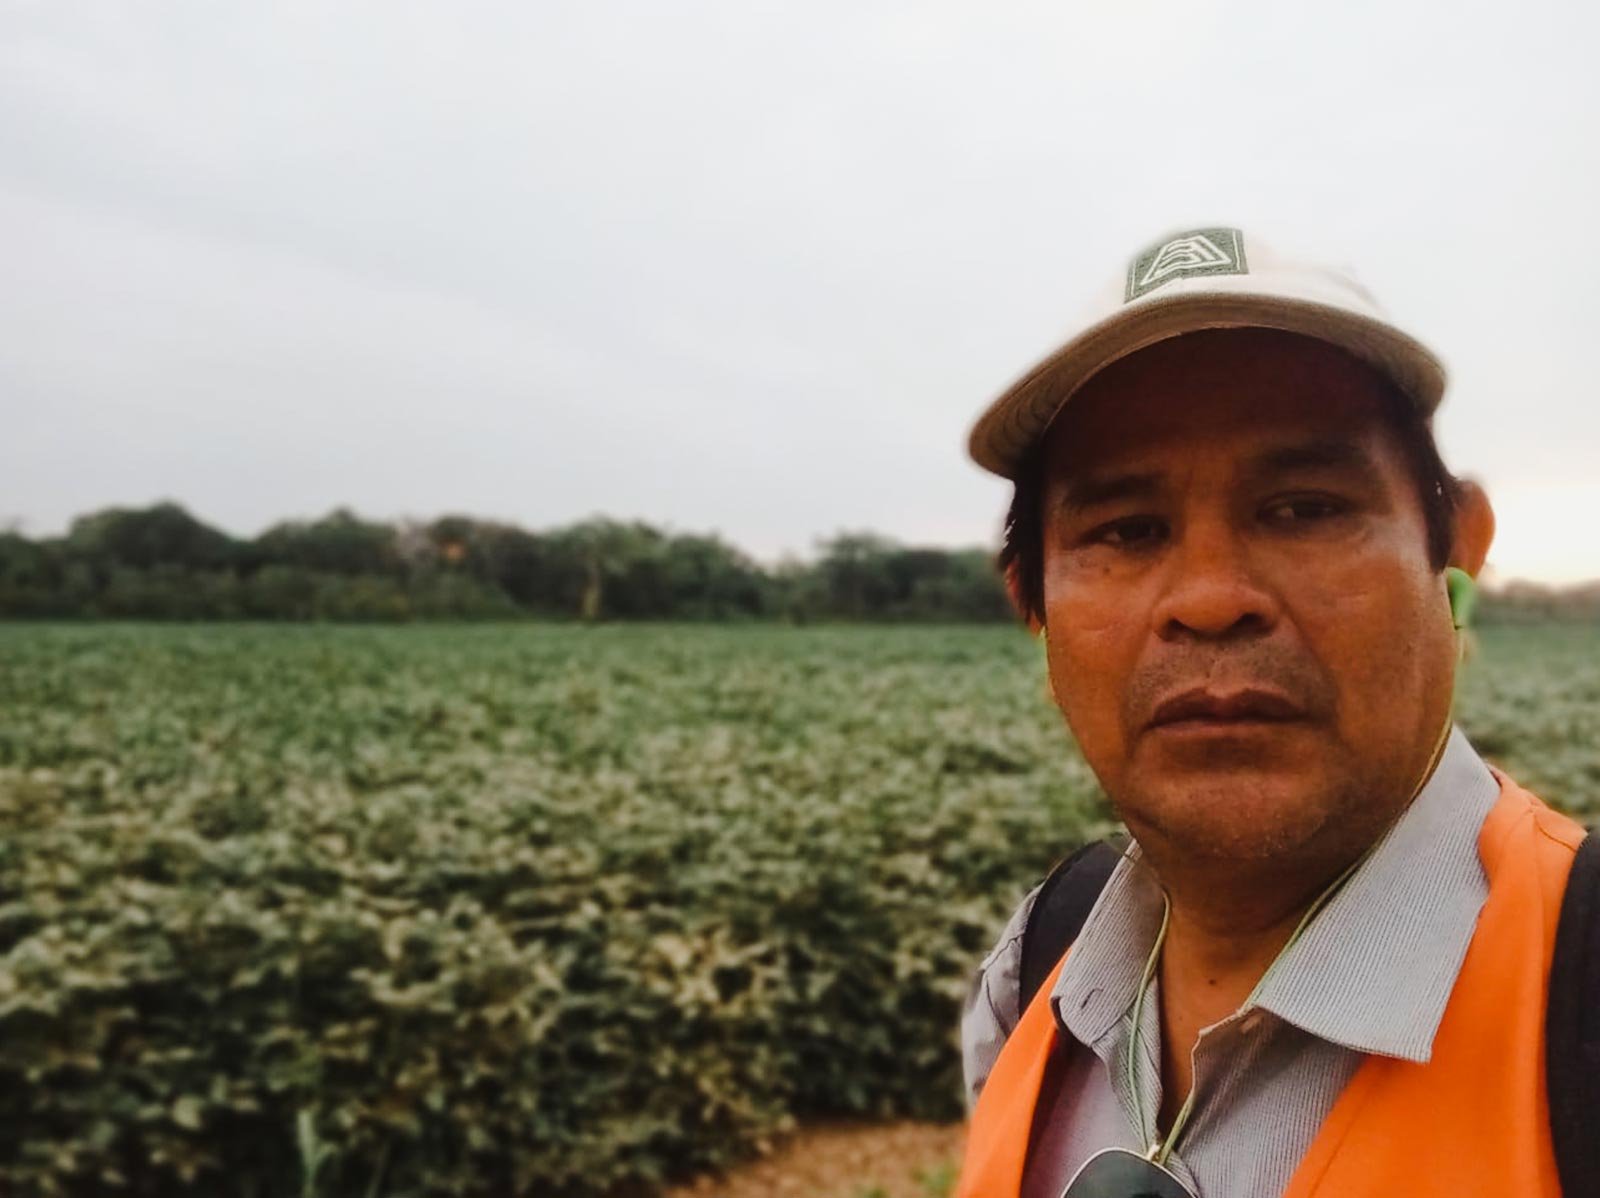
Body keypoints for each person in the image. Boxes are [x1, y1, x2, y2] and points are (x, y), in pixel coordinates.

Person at [954, 227, 1589, 1197]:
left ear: (1456, 548)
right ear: (1034, 612)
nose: (1210, 598)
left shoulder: (1577, 1002)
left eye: (1304, 507)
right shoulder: (1032, 974)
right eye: (1127, 530)